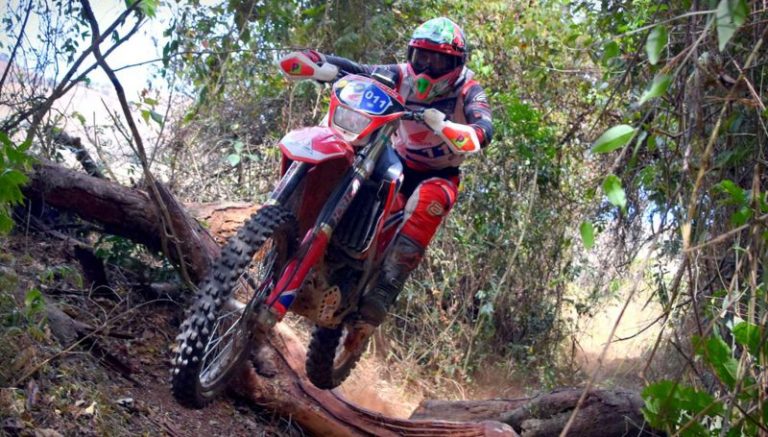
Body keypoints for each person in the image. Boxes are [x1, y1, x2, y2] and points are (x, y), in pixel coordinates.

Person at [302, 17, 494, 326]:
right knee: (359, 170)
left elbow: (484, 125)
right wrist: (320, 63)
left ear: (456, 64)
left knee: (427, 202)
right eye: (421, 57)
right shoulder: (401, 74)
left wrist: (454, 128)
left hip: (439, 175)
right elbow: (360, 70)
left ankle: (387, 286)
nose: (426, 67)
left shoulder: (468, 90)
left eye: (437, 61)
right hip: (397, 162)